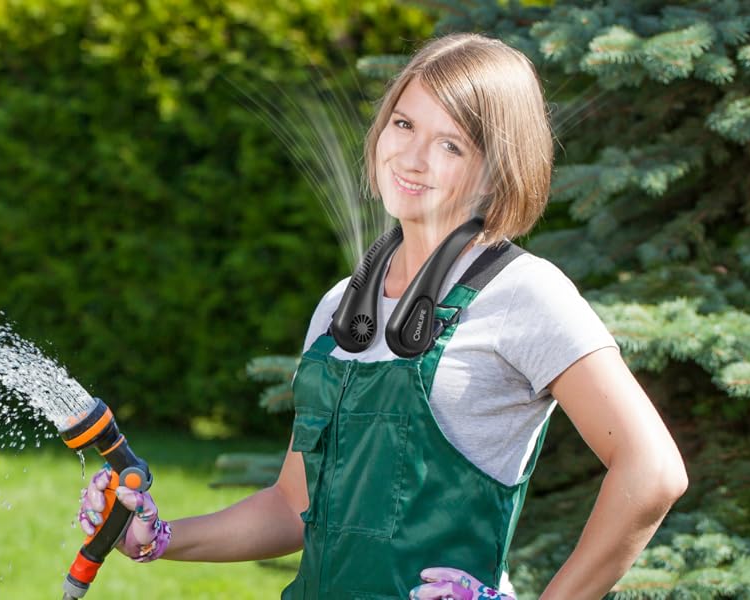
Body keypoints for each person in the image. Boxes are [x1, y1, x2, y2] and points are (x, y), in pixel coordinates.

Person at [76, 33, 687, 598]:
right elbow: (294, 504)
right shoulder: (343, 307)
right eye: (403, 123)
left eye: (451, 144)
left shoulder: (526, 294)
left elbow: (653, 471)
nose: (412, 158)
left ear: (498, 167)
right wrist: (159, 538)